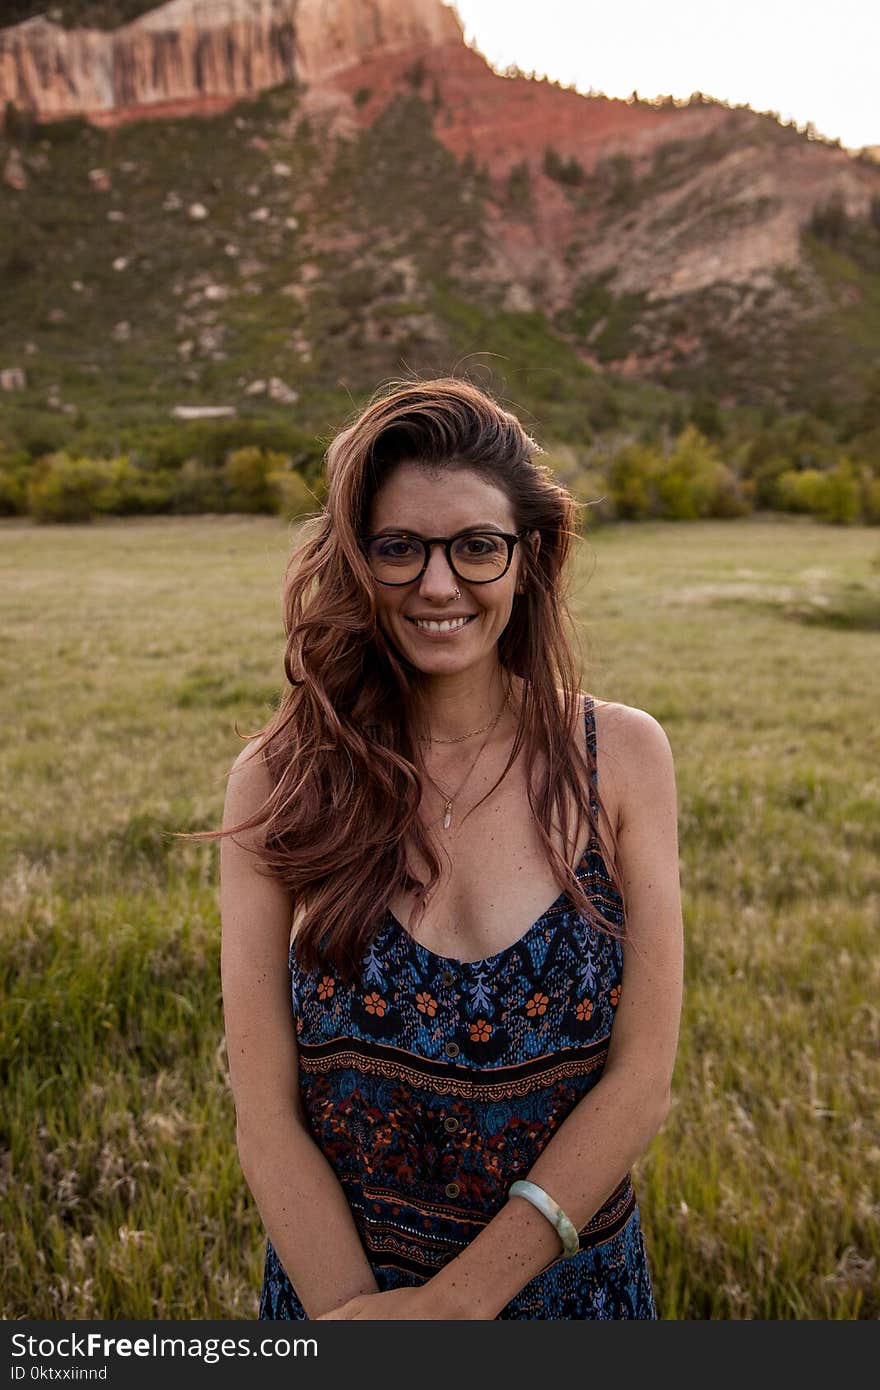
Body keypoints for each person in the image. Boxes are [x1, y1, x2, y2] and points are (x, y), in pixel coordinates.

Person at [217, 377, 683, 1320]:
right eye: (400, 548)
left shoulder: (622, 758)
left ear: (527, 556)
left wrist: (456, 1308)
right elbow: (265, 1115)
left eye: (477, 547)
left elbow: (641, 1081)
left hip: (571, 1294)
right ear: (357, 561)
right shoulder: (281, 782)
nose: (439, 584)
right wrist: (362, 1320)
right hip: (342, 1299)